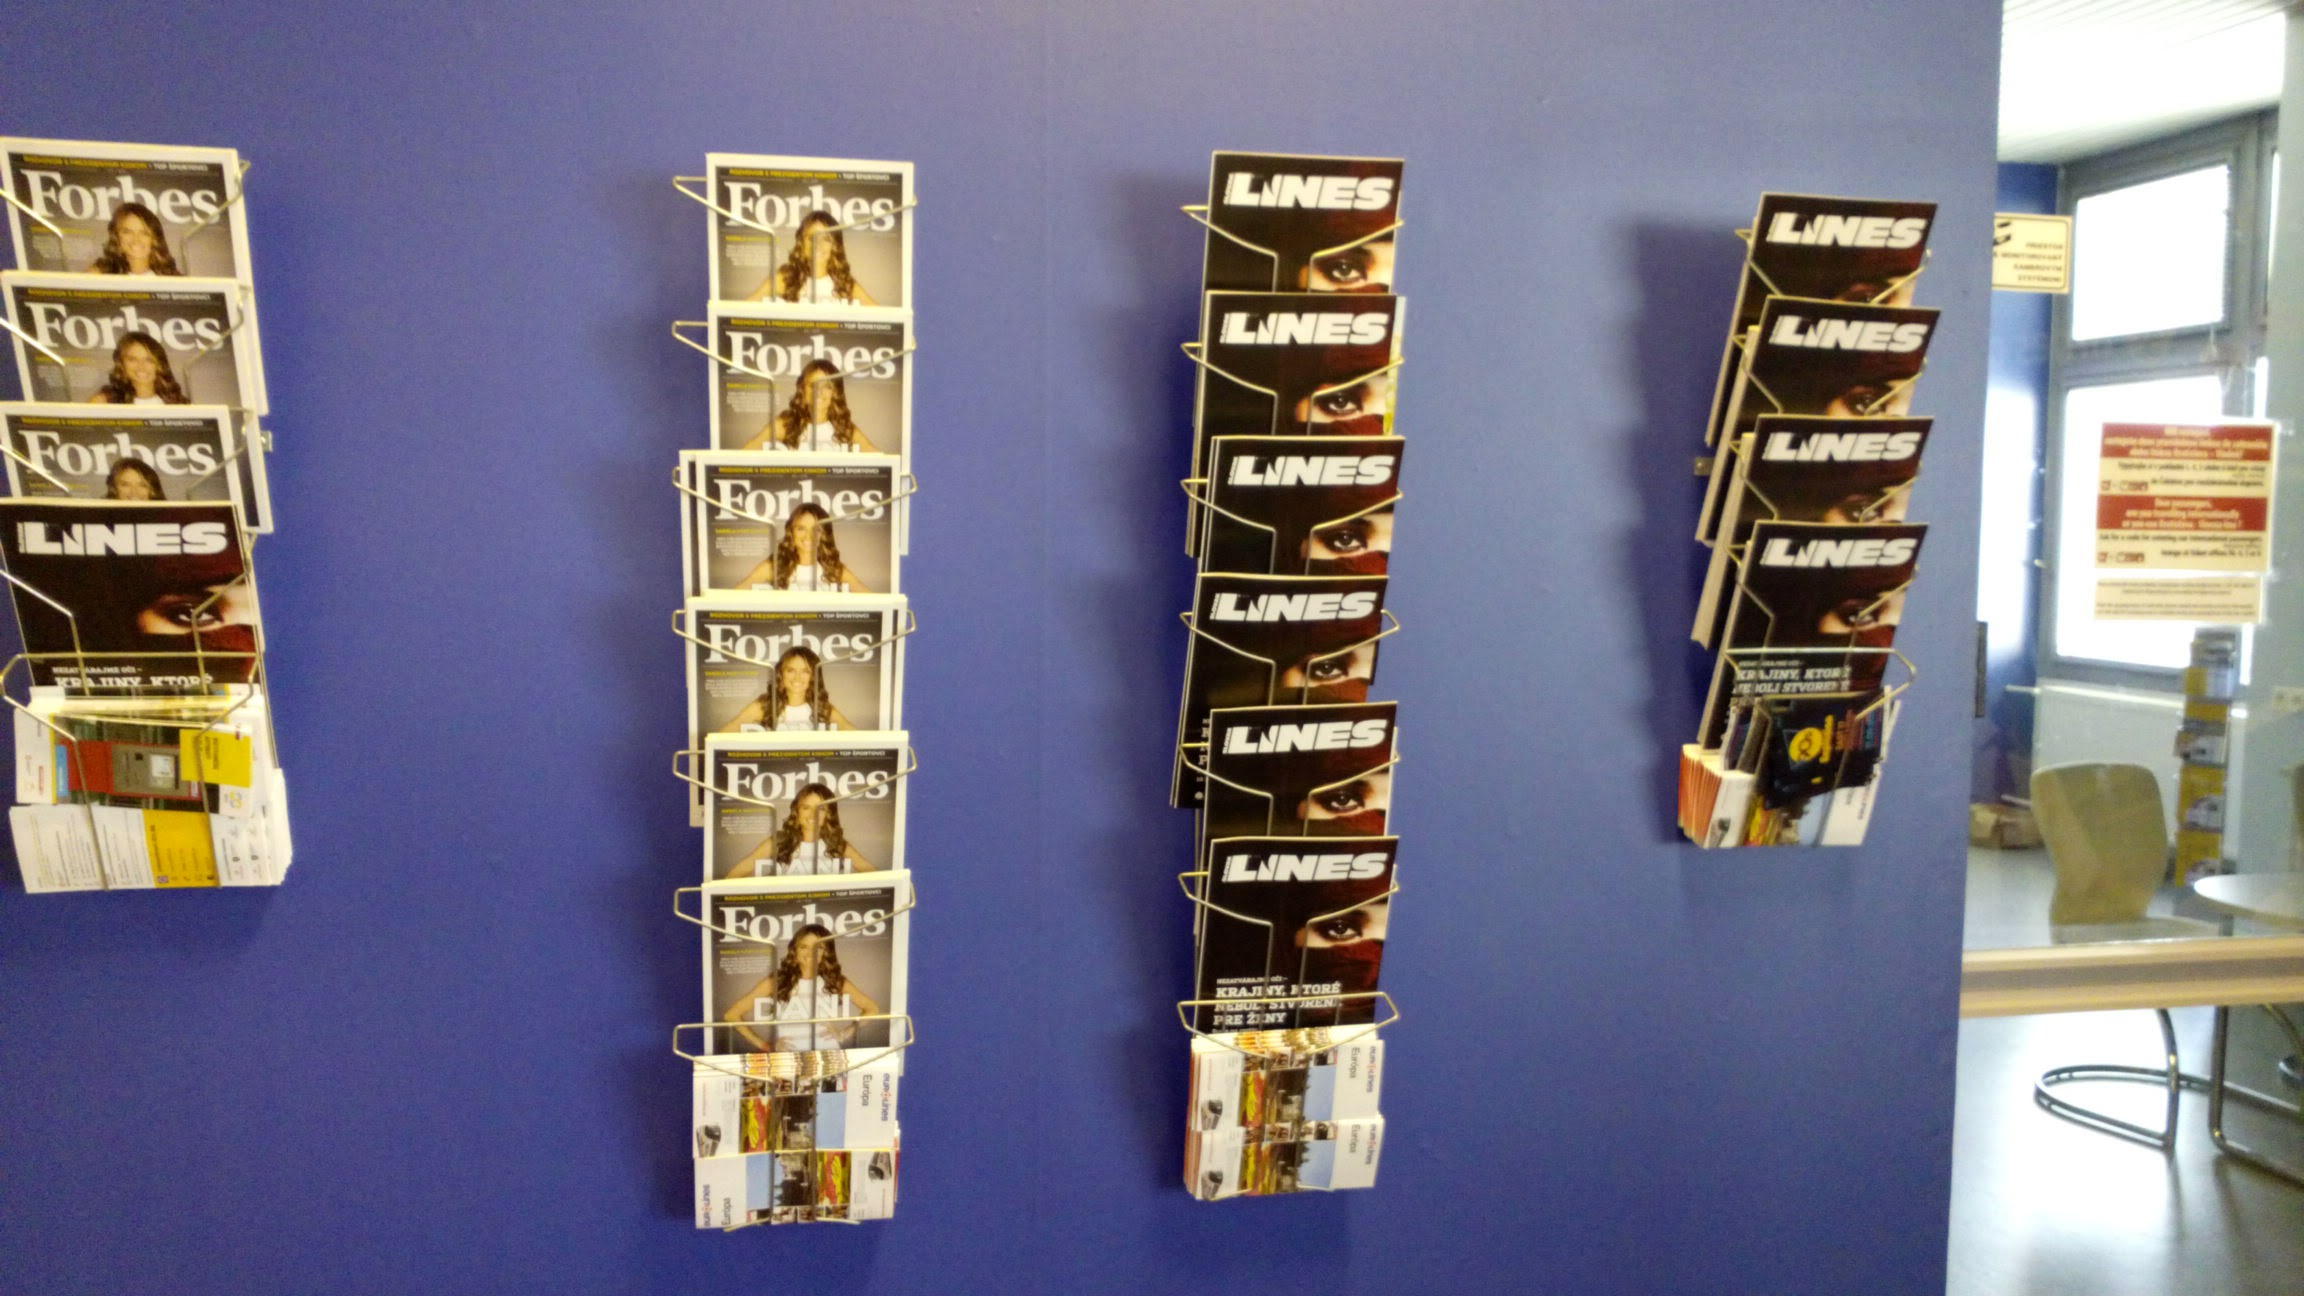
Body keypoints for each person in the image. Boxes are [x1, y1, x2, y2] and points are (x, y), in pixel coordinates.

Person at [722, 924, 883, 1052]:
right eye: (804, 947)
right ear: (795, 950)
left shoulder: (836, 981)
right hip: (788, 1061)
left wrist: (844, 1033)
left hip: (828, 1056)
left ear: (826, 952)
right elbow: (732, 1015)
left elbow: (872, 1009)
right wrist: (765, 1045)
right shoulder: (776, 981)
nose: (810, 953)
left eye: (819, 947)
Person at [721, 783, 878, 879]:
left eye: (821, 809)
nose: (812, 815)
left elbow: (875, 876)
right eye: (806, 808)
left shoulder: (838, 845)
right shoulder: (777, 842)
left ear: (829, 814)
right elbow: (732, 877)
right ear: (797, 811)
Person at [741, 359, 881, 452]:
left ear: (835, 392)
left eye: (827, 386)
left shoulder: (844, 427)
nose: (819, 392)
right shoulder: (785, 424)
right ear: (802, 389)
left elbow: (879, 461)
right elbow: (745, 453)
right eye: (813, 385)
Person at [748, 211, 878, 305]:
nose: (818, 244)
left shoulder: (845, 284)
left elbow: (880, 317)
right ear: (801, 243)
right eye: (811, 238)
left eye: (826, 239)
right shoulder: (785, 278)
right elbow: (745, 309)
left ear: (835, 246)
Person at [733, 503, 871, 592]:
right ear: (791, 532)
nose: (808, 536)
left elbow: (870, 598)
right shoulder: (773, 566)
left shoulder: (834, 568)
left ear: (824, 534)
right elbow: (734, 596)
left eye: (816, 530)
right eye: (801, 529)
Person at [719, 646, 855, 733]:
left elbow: (855, 735)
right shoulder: (765, 705)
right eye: (791, 670)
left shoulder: (822, 707)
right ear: (781, 674)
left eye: (805, 671)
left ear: (814, 676)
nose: (797, 677)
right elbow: (724, 734)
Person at [87, 332, 188, 405]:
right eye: (132, 359)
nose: (141, 366)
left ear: (160, 365)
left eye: (149, 360)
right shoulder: (103, 402)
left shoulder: (179, 404)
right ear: (121, 364)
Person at [87, 203, 181, 276]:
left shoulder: (173, 279)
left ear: (155, 239)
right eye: (127, 232)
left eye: (144, 233)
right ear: (116, 237)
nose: (136, 239)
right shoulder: (99, 275)